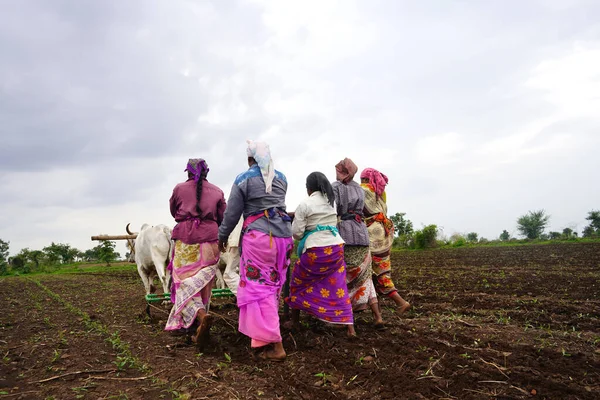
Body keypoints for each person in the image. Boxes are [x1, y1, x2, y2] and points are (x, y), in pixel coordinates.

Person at [218, 140, 293, 362]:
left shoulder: (244, 179)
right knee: (272, 285)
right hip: (284, 237)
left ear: (249, 158)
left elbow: (232, 214)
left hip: (260, 238)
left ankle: (277, 345)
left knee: (260, 289)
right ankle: (261, 338)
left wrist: (222, 236)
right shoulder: (282, 178)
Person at [165, 158, 226, 349]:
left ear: (188, 172)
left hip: (186, 241)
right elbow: (222, 217)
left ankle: (199, 316)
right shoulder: (217, 191)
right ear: (207, 172)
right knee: (203, 286)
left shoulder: (179, 189)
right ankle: (197, 325)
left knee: (183, 284)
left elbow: (173, 210)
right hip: (210, 240)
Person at [286, 172, 356, 337]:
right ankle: (350, 328)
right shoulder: (331, 203)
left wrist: (294, 220)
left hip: (317, 250)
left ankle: (295, 322)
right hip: (336, 249)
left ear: (309, 188)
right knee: (338, 286)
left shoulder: (305, 204)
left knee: (298, 281)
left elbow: (296, 233)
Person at [331, 158, 384, 328]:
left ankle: (349, 325)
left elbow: (333, 209)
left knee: (343, 278)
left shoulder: (336, 187)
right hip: (362, 235)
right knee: (365, 277)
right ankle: (378, 317)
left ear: (342, 172)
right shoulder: (359, 190)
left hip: (344, 234)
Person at [360, 168, 411, 313]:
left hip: (372, 235)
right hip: (384, 233)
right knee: (379, 270)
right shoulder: (380, 191)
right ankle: (377, 313)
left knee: (373, 272)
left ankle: (400, 302)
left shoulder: (362, 190)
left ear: (364, 179)